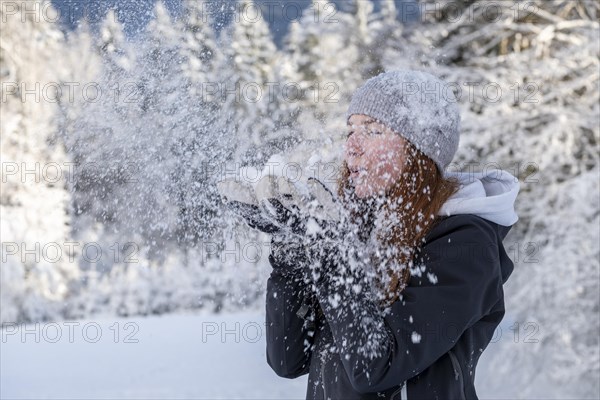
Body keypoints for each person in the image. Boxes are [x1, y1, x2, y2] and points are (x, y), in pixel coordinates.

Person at [263, 69, 520, 400]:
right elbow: (288, 359)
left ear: (420, 152)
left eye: (372, 131)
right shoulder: (359, 233)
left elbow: (376, 367)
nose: (351, 148)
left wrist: (334, 257)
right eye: (350, 130)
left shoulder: (465, 245)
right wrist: (291, 252)